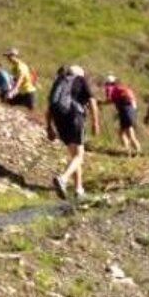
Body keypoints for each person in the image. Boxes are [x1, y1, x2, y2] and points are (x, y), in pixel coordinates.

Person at [46, 65, 100, 200]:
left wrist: (49, 127)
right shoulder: (80, 80)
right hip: (74, 117)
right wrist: (95, 122)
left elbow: (49, 108)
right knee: (80, 155)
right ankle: (63, 178)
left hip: (59, 119)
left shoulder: (59, 82)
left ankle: (79, 189)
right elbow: (92, 101)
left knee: (74, 155)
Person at [101, 75, 141, 156]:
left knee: (130, 134)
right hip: (130, 110)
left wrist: (100, 103)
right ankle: (127, 151)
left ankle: (137, 152)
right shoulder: (121, 87)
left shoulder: (111, 88)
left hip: (125, 110)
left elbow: (109, 100)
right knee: (121, 132)